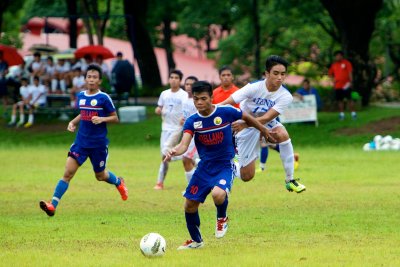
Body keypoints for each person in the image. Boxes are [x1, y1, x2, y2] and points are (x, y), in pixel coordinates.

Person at [164, 81, 274, 250]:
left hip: (225, 164)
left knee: (218, 194)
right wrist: (174, 151)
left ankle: (222, 218)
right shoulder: (192, 121)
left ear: (211, 98)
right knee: (190, 205)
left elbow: (246, 117)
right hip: (204, 167)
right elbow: (184, 145)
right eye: (196, 99)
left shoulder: (225, 111)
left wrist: (263, 130)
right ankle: (196, 241)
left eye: (203, 98)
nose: (199, 103)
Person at [39, 64, 128, 217]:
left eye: (94, 77)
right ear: (85, 79)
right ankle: (52, 205)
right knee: (68, 173)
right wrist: (73, 122)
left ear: (99, 81)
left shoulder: (104, 98)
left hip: (98, 144)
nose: (91, 80)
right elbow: (83, 113)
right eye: (89, 77)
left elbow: (115, 118)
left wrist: (102, 119)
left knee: (100, 176)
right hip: (81, 142)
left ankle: (119, 183)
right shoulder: (80, 96)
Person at [220, 55, 306, 193]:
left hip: (259, 122)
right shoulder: (253, 87)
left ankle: (290, 180)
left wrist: (245, 125)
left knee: (282, 134)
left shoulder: (285, 96)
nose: (279, 77)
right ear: (267, 74)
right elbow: (228, 102)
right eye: (275, 73)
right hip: (244, 121)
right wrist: (211, 110)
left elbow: (266, 118)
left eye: (283, 74)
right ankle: (228, 164)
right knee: (247, 176)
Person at [153, 69, 188, 190]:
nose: (173, 80)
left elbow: (186, 110)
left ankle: (159, 182)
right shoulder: (164, 93)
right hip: (165, 128)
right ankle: (185, 156)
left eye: (176, 78)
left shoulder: (183, 95)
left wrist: (184, 118)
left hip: (176, 128)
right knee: (165, 155)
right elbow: (160, 107)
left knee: (165, 153)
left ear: (180, 80)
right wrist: (158, 110)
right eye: (171, 77)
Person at [328, 50, 356, 120]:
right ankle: (342, 114)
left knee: (349, 99)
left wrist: (351, 82)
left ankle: (353, 113)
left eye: (339, 55)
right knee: (340, 100)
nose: (338, 57)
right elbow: (330, 74)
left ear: (342, 56)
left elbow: (350, 72)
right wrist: (333, 81)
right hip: (338, 85)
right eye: (336, 56)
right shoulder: (334, 65)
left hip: (346, 84)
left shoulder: (346, 63)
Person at [181, 76, 199, 183]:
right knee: (190, 161)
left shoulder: (197, 101)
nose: (188, 87)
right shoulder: (184, 99)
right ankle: (194, 187)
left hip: (196, 136)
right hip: (187, 135)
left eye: (191, 85)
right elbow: (186, 116)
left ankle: (192, 188)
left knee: (186, 160)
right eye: (187, 84)